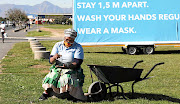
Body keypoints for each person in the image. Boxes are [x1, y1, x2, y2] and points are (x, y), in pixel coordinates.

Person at [39, 29, 88, 101]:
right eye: (67, 39)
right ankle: (46, 93)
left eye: (71, 41)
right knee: (52, 76)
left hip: (71, 68)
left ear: (74, 40)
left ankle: (71, 94)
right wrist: (55, 57)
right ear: (64, 38)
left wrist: (67, 66)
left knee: (66, 78)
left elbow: (77, 62)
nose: (68, 42)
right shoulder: (58, 45)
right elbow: (50, 61)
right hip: (58, 66)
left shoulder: (78, 47)